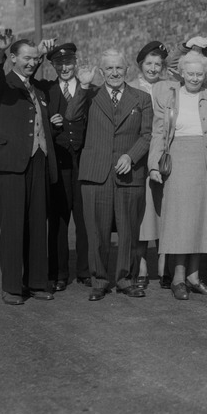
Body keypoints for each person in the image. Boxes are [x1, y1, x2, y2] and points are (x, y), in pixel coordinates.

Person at [0, 31, 61, 305]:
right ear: (12, 59)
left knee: (38, 222)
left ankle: (37, 282)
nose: (31, 63)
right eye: (25, 58)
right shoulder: (3, 85)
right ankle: (12, 287)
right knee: (13, 225)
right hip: (11, 162)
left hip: (39, 159)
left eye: (34, 59)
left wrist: (39, 51)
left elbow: (33, 65)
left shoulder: (36, 87)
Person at [148, 50, 207, 301]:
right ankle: (178, 279)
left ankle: (195, 278)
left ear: (206, 75)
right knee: (181, 224)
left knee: (204, 223)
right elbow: (159, 133)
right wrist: (153, 165)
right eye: (190, 73)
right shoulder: (170, 96)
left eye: (199, 74)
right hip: (179, 162)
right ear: (181, 73)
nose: (194, 78)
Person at [77, 49, 153, 301]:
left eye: (118, 68)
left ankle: (125, 279)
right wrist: (83, 86)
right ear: (101, 72)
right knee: (96, 231)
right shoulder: (90, 96)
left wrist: (131, 156)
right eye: (108, 69)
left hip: (129, 174)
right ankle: (98, 280)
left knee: (128, 230)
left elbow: (147, 134)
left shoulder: (141, 98)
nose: (114, 73)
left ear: (127, 70)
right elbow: (71, 117)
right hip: (96, 173)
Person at [33, 41, 91, 292]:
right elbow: (26, 78)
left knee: (85, 219)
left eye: (68, 62)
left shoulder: (91, 90)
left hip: (85, 162)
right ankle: (58, 272)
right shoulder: (46, 90)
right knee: (58, 220)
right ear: (53, 65)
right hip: (58, 163)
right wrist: (37, 54)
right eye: (58, 63)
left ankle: (86, 270)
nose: (64, 67)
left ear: (76, 63)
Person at [129, 40, 170, 290]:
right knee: (144, 215)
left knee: (165, 211)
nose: (153, 68)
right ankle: (142, 264)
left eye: (158, 64)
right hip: (140, 158)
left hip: (165, 157)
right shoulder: (130, 87)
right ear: (140, 64)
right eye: (149, 63)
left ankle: (164, 264)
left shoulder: (170, 87)